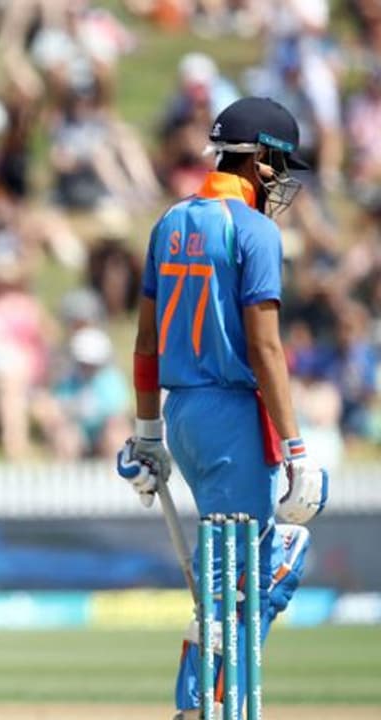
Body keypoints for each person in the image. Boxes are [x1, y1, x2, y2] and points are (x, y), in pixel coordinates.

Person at [117, 96, 328, 719]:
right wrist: (297, 449)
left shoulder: (170, 221)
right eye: (279, 164)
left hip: (183, 415)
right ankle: (200, 706)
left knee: (243, 568)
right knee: (246, 576)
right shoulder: (256, 231)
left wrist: (148, 433)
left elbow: (146, 342)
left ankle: (200, 700)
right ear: (258, 158)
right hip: (234, 416)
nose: (281, 180)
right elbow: (265, 348)